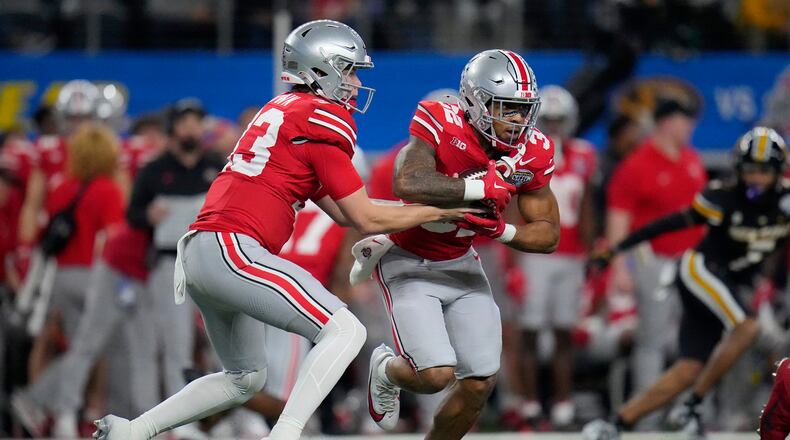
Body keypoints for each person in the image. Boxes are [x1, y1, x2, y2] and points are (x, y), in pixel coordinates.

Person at [92, 19, 473, 440]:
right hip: (233, 247)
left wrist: (425, 212)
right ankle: (286, 435)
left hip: (203, 250)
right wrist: (436, 208)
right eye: (349, 71)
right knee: (347, 330)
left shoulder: (286, 110)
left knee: (244, 378)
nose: (354, 83)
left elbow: (345, 213)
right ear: (321, 69)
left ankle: (133, 430)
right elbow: (366, 217)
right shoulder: (322, 117)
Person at [360, 49, 560, 440]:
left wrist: (500, 230)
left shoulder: (533, 151)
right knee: (434, 375)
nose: (518, 120)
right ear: (475, 101)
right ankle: (385, 369)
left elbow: (548, 233)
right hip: (410, 260)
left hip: (463, 263)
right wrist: (476, 189)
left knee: (480, 382)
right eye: (507, 108)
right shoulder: (441, 120)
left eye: (524, 110)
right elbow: (408, 182)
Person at [583, 127, 790, 439]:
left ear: (778, 171)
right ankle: (692, 405)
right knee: (748, 328)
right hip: (700, 270)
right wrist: (614, 250)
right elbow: (667, 224)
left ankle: (615, 422)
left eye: (764, 171)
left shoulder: (785, 203)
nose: (756, 179)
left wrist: (770, 283)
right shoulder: (723, 196)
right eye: (750, 170)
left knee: (690, 367)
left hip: (728, 281)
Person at [11, 122, 126, 436]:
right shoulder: (107, 190)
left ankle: (59, 411)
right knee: (87, 350)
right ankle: (45, 403)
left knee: (81, 348)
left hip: (61, 276)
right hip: (92, 275)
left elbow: (43, 224)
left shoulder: (62, 186)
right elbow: (114, 238)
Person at [605, 99, 707, 430]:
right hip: (653, 261)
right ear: (666, 122)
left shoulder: (692, 160)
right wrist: (619, 266)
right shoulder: (637, 165)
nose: (690, 127)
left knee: (695, 340)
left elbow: (705, 216)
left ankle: (688, 415)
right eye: (684, 120)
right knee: (651, 341)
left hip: (691, 263)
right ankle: (644, 419)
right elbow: (619, 218)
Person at [513, 85, 596, 428]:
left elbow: (587, 205)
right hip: (535, 254)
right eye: (548, 120)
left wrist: (592, 252)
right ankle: (530, 403)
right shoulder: (523, 154)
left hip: (571, 255)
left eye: (559, 120)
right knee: (530, 330)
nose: (554, 127)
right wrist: (513, 258)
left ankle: (563, 402)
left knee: (564, 331)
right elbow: (512, 203)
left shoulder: (584, 155)